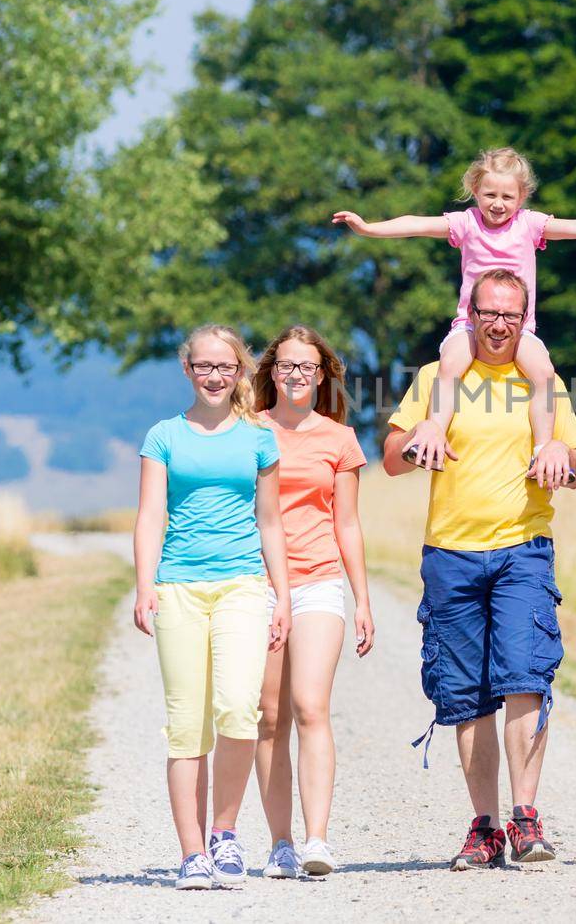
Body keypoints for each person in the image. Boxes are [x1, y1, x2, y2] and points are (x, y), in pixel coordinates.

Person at [383, 268, 576, 870]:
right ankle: (484, 826)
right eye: (489, 312)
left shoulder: (540, 379)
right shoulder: (434, 377)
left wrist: (561, 457)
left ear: (526, 320)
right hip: (450, 552)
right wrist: (419, 439)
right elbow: (392, 459)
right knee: (465, 693)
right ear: (468, 313)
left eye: (511, 315)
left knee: (525, 675)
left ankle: (526, 819)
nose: (499, 325)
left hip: (524, 547)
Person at [334, 146, 576, 488]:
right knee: (449, 366)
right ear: (475, 192)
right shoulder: (466, 223)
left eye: (506, 196)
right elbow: (417, 224)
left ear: (522, 196)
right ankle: (434, 434)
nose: (497, 204)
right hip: (471, 325)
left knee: (544, 373)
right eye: (489, 195)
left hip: (520, 328)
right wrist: (369, 229)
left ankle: (543, 448)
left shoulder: (529, 225)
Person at [133, 324, 292, 891]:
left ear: (240, 371)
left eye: (225, 367)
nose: (215, 376)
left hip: (243, 586)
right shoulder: (164, 437)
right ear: (187, 370)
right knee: (185, 726)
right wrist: (144, 584)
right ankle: (192, 853)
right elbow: (151, 515)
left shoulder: (257, 438)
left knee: (237, 709)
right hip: (178, 587)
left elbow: (270, 521)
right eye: (204, 366)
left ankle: (224, 834)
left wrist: (283, 595)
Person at [250, 325, 375, 878]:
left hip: (318, 579)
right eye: (285, 366)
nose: (296, 375)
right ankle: (280, 842)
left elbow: (347, 524)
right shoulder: (247, 430)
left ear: (321, 375)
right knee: (269, 715)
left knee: (309, 705)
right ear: (271, 373)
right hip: (255, 583)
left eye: (307, 367)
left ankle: (317, 838)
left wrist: (363, 599)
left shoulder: (339, 439)